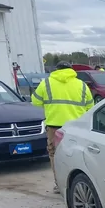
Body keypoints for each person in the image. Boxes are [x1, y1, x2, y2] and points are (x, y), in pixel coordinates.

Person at [32, 61, 94, 193]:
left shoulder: (46, 83)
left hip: (54, 127)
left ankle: (59, 185)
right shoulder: (81, 85)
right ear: (71, 70)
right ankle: (77, 185)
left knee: (55, 155)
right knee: (76, 155)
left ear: (56, 69)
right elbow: (90, 106)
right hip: (76, 128)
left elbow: (35, 101)